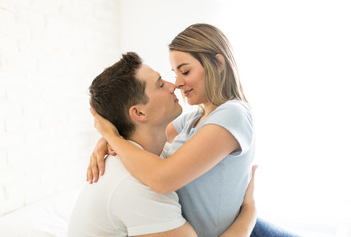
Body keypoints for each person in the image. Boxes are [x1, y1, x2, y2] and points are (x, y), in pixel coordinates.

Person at [88, 24, 298, 237]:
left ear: (217, 63)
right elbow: (144, 136)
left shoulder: (233, 114)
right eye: (175, 73)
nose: (177, 83)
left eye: (185, 71)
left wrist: (112, 136)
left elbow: (163, 179)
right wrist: (108, 140)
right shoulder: (193, 119)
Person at [68, 52, 257, 237]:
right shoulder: (138, 183)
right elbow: (160, 179)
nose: (173, 85)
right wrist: (249, 212)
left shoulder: (156, 156)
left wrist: (110, 137)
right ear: (140, 113)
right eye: (160, 84)